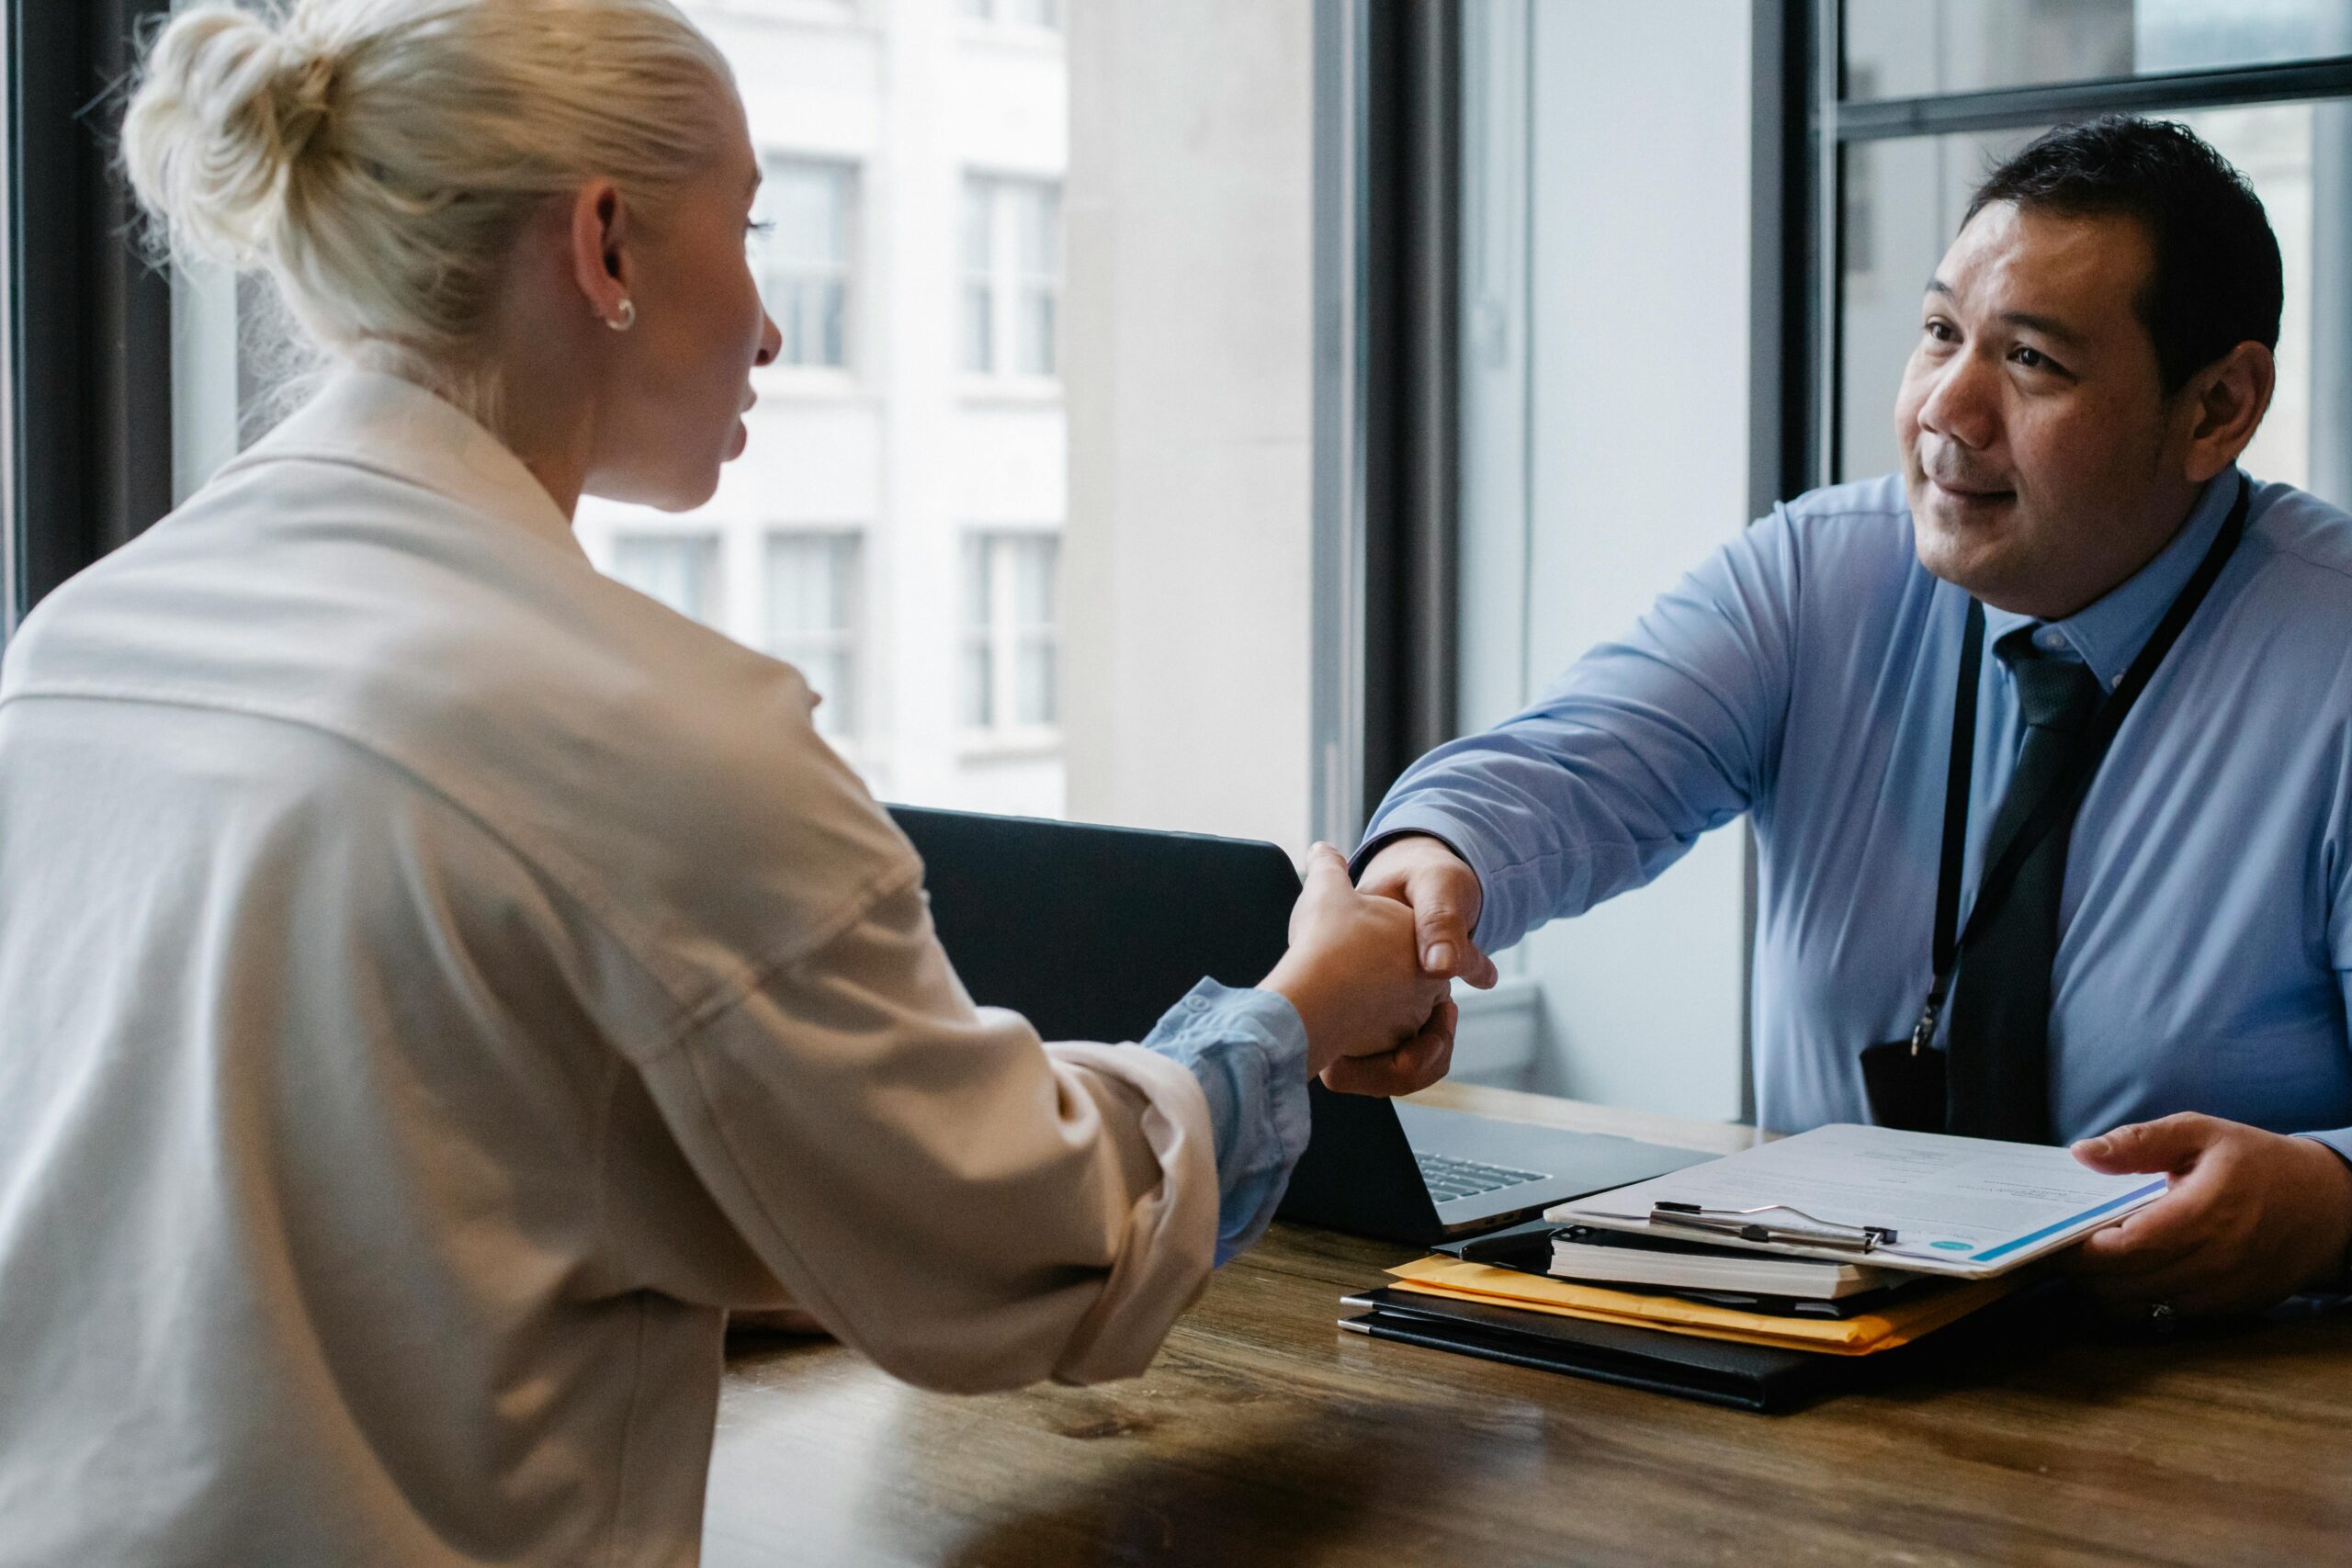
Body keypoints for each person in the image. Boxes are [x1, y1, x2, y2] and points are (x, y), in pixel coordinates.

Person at [0, 2, 1452, 1562]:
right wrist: (1299, 1014)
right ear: (606, 247)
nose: (771, 326)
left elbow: (378, 1201)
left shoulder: (76, 644)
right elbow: (1023, 1246)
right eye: (751, 229)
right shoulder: (649, 734)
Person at [1359, 115, 2352, 1321]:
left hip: (2221, 1412)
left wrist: (2331, 1198)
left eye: (2033, 362)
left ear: (2218, 408)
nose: (1946, 410)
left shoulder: (2333, 655)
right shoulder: (1821, 572)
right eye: (1940, 334)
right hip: (1832, 1374)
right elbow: (1567, 774)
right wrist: (1427, 871)